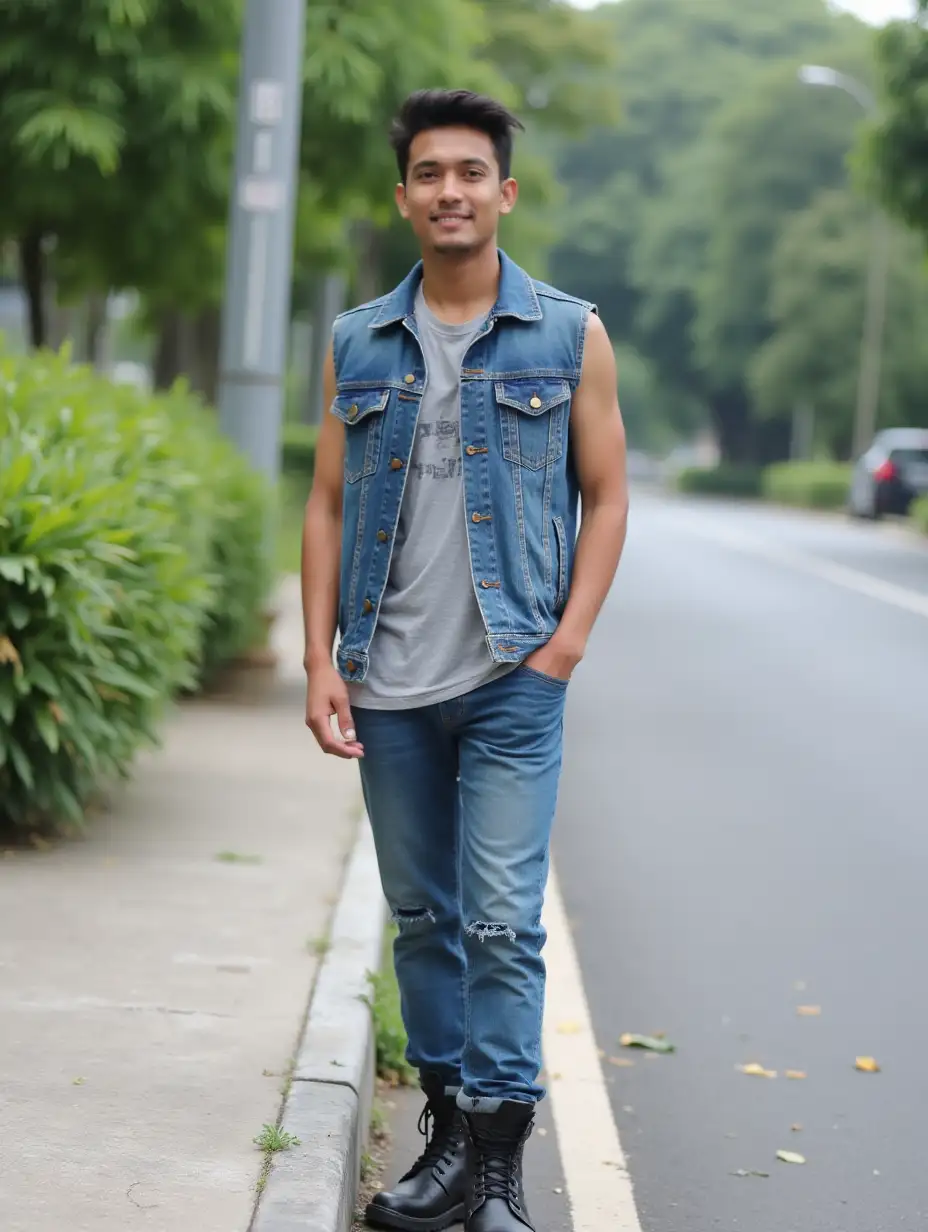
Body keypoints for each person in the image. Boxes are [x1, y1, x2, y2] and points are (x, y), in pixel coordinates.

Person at [302, 89, 628, 1232]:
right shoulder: (355, 340)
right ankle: (444, 1132)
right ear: (405, 197)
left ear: (505, 191)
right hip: (385, 682)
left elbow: (607, 493)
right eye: (430, 173)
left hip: (508, 676)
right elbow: (328, 503)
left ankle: (497, 1163)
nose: (451, 190)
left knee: (500, 919)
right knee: (424, 917)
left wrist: (564, 646)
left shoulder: (567, 332)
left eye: (470, 172)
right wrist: (317, 661)